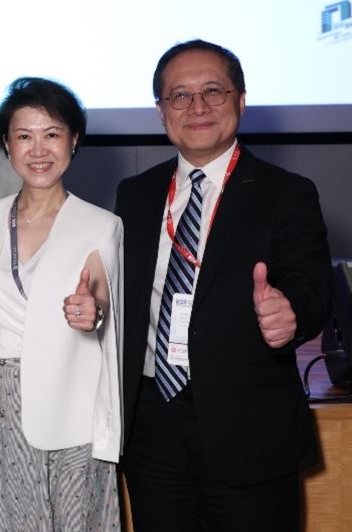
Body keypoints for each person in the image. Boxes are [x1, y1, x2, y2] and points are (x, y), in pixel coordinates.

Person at [109, 40, 333, 531]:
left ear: (241, 101)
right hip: (152, 427)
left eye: (214, 91)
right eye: (180, 96)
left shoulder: (287, 193)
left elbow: (313, 289)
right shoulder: (136, 194)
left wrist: (289, 313)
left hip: (247, 425)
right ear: (160, 111)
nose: (198, 107)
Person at [0, 77, 123, 531]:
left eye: (52, 134)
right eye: (24, 136)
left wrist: (93, 315)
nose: (38, 149)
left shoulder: (102, 226)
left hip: (73, 417)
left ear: (74, 140)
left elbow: (106, 318)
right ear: (7, 144)